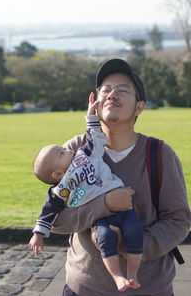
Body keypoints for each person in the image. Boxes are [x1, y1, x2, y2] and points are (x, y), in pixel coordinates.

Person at [49, 58, 191, 296]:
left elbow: (178, 220)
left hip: (149, 289)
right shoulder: (73, 151)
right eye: (105, 90)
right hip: (84, 288)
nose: (112, 95)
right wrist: (103, 204)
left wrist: (130, 244)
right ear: (94, 101)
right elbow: (55, 218)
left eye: (122, 91)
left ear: (139, 107)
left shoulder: (159, 154)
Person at [29, 93, 143, 292]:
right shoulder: (61, 189)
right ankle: (117, 277)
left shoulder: (83, 155)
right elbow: (49, 211)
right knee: (105, 239)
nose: (68, 150)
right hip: (101, 220)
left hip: (125, 211)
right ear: (57, 173)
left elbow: (94, 138)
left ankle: (132, 274)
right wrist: (38, 233)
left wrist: (91, 115)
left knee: (135, 232)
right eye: (62, 153)